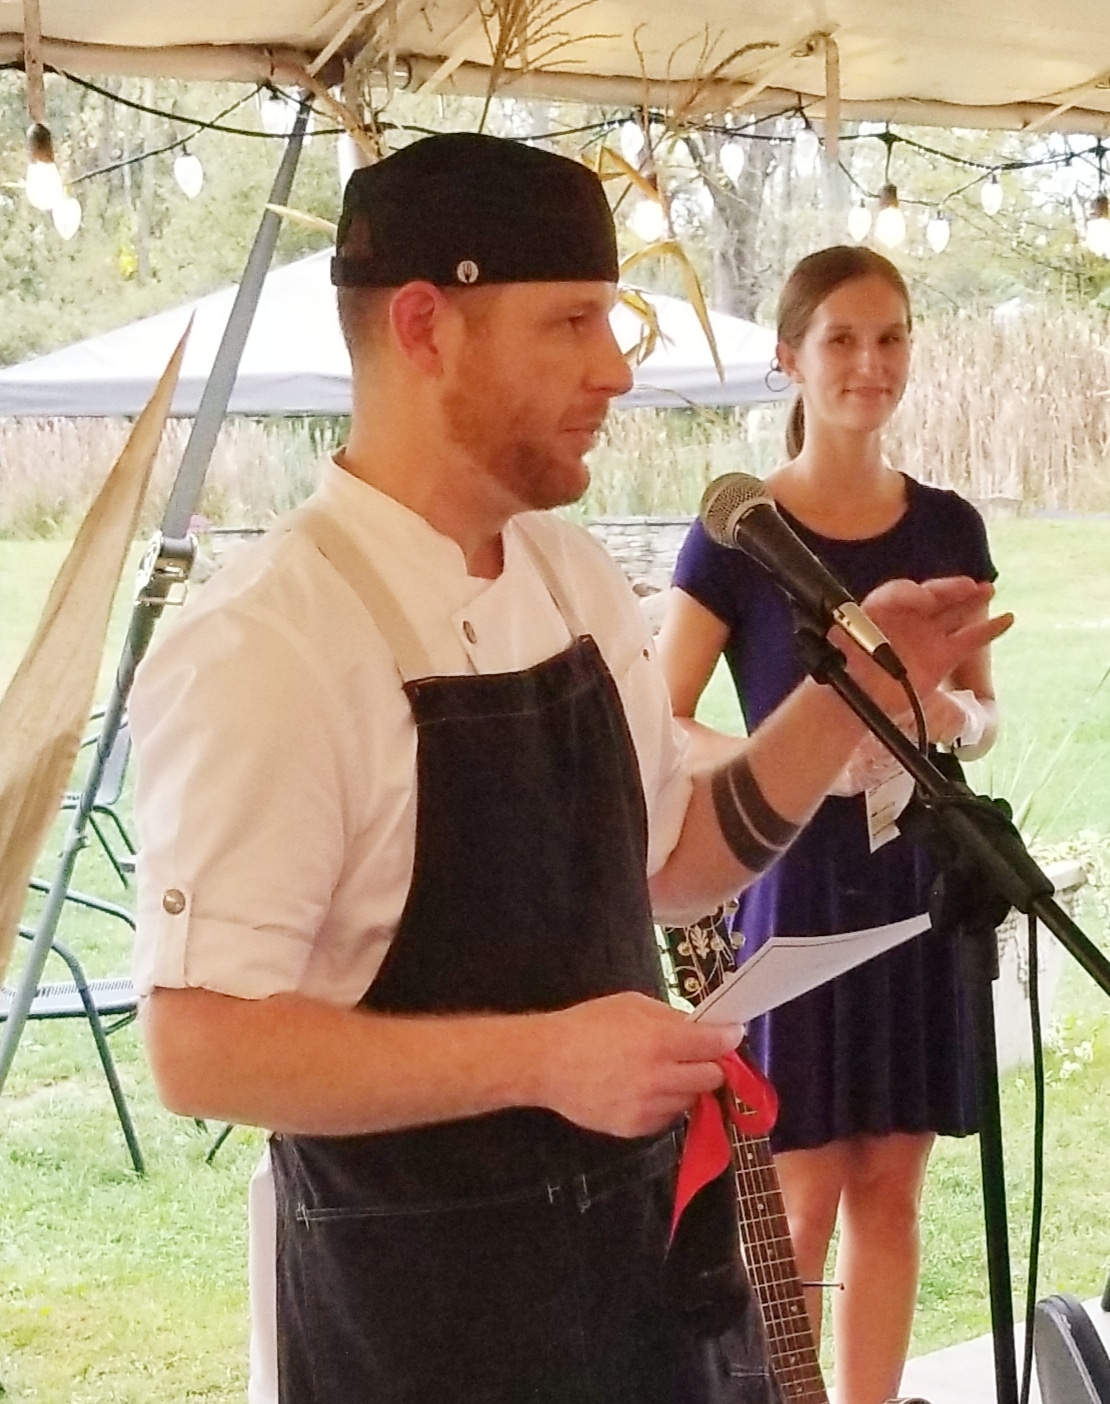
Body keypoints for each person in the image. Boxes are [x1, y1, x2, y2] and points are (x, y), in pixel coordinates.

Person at [129, 143, 1008, 1404]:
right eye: (572, 323)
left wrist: (845, 701)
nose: (616, 370)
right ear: (426, 326)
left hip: (639, 1281)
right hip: (426, 1325)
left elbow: (674, 863)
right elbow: (202, 1048)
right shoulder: (269, 642)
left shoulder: (571, 575)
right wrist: (542, 1060)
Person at [657, 244, 1001, 1404]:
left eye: (891, 336)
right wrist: (793, 757)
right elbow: (664, 723)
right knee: (799, 1191)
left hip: (918, 880)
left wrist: (949, 720)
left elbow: (984, 709)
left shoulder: (948, 526)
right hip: (792, 883)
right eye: (842, 339)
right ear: (790, 359)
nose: (870, 363)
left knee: (893, 1188)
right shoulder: (738, 537)